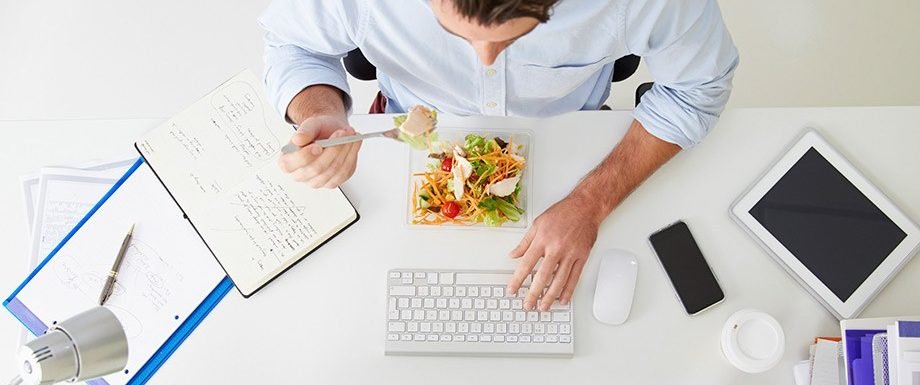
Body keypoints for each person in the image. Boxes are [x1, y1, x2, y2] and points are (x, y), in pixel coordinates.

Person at [259, 0, 738, 312]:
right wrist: (318, 107)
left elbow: (698, 90)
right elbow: (291, 43)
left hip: (570, 138)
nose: (485, 62)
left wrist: (592, 202)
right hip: (404, 137)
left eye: (515, 39)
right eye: (458, 37)